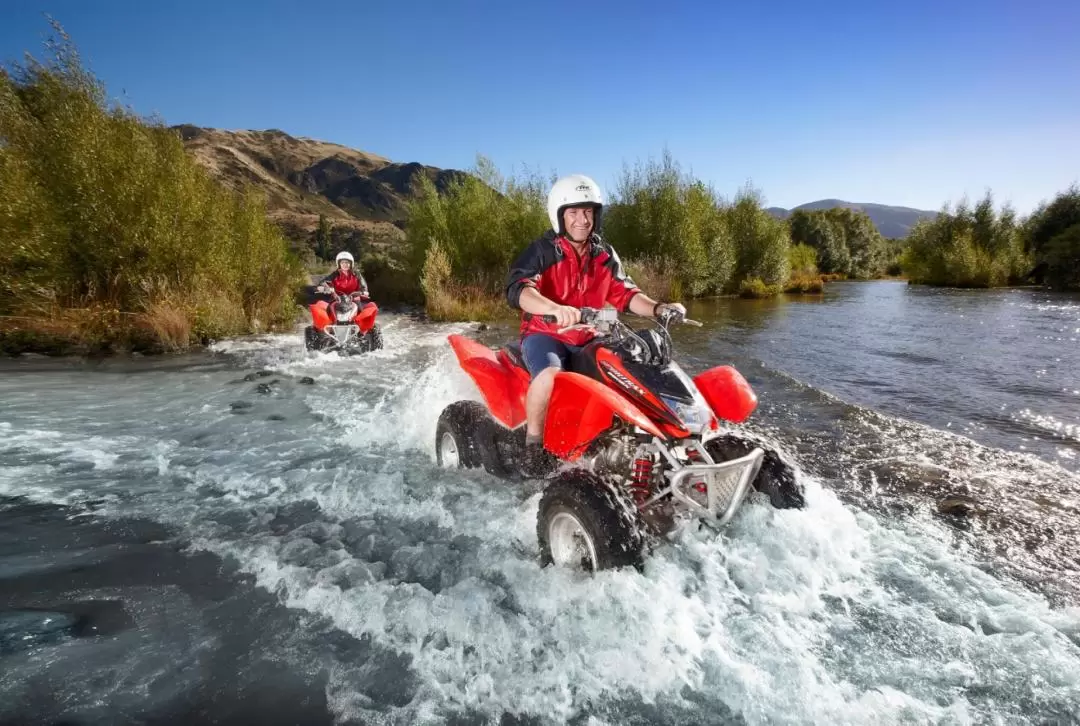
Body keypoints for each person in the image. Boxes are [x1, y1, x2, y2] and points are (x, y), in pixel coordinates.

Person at [505, 174, 686, 476]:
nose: (582, 220)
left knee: (633, 367)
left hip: (589, 335)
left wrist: (659, 308)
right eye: (574, 212)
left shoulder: (604, 254)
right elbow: (520, 289)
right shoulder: (541, 251)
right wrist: (553, 308)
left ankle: (637, 441)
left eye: (588, 211)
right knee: (550, 375)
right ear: (560, 215)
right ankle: (533, 445)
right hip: (545, 334)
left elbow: (626, 294)